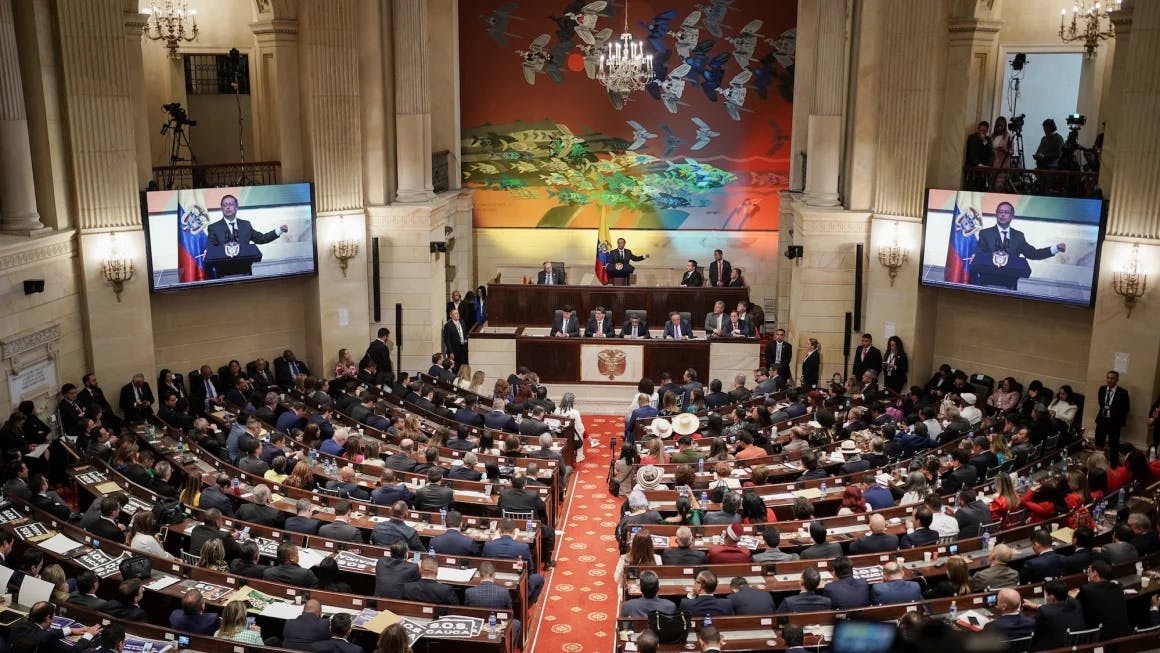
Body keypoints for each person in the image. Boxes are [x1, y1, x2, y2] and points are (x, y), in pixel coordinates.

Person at [971, 200, 1067, 289]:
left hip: (1010, 285)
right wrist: (991, 256)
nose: (1002, 215)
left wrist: (1055, 248)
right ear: (996, 214)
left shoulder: (1018, 236)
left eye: (1006, 212)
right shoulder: (985, 233)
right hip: (988, 283)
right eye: (1000, 212)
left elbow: (1033, 254)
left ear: (1012, 216)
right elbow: (979, 254)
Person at [10, 602, 100, 653]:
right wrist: (88, 635)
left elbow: (47, 633)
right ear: (48, 617)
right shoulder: (48, 640)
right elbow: (73, 651)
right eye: (54, 614)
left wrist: (70, 630)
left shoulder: (18, 626)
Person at [1024, 579, 1087, 651]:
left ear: (1051, 597)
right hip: (1077, 647)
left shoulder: (1044, 611)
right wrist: (1036, 606)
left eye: (1046, 594)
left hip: (1055, 649)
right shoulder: (1076, 604)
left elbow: (1036, 635)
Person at [1095, 370, 1130, 464]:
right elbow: (1101, 403)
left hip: (1114, 423)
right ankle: (1098, 462)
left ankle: (1114, 465)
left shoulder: (1123, 393)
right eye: (1108, 378)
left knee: (1113, 445)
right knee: (1099, 443)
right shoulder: (1102, 389)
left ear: (1117, 379)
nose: (1109, 380)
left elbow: (1126, 409)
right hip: (1102, 420)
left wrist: (1114, 414)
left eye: (1112, 378)